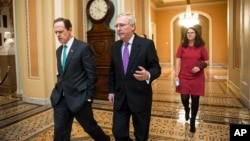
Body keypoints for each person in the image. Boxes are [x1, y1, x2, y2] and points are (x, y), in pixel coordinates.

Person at [50, 17, 110, 141]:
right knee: (60, 131)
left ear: (70, 29)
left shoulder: (83, 48)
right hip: (61, 99)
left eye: (61, 31)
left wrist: (88, 97)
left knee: (90, 127)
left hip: (79, 98)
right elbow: (62, 74)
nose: (58, 35)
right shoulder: (59, 51)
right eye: (56, 32)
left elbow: (92, 75)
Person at [108, 13, 161, 141]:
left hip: (140, 97)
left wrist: (148, 74)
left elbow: (156, 68)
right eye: (117, 26)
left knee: (141, 136)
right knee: (118, 132)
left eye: (122, 25)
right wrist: (111, 90)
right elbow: (112, 71)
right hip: (121, 98)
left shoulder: (146, 44)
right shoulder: (115, 46)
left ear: (132, 26)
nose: (118, 28)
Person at [175, 27, 209, 133]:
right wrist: (176, 75)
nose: (189, 34)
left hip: (197, 77)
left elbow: (207, 61)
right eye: (188, 33)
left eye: (192, 32)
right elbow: (178, 61)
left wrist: (199, 67)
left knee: (195, 99)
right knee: (184, 97)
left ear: (196, 34)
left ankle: (193, 121)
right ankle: (186, 109)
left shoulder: (201, 47)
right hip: (184, 76)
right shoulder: (182, 46)